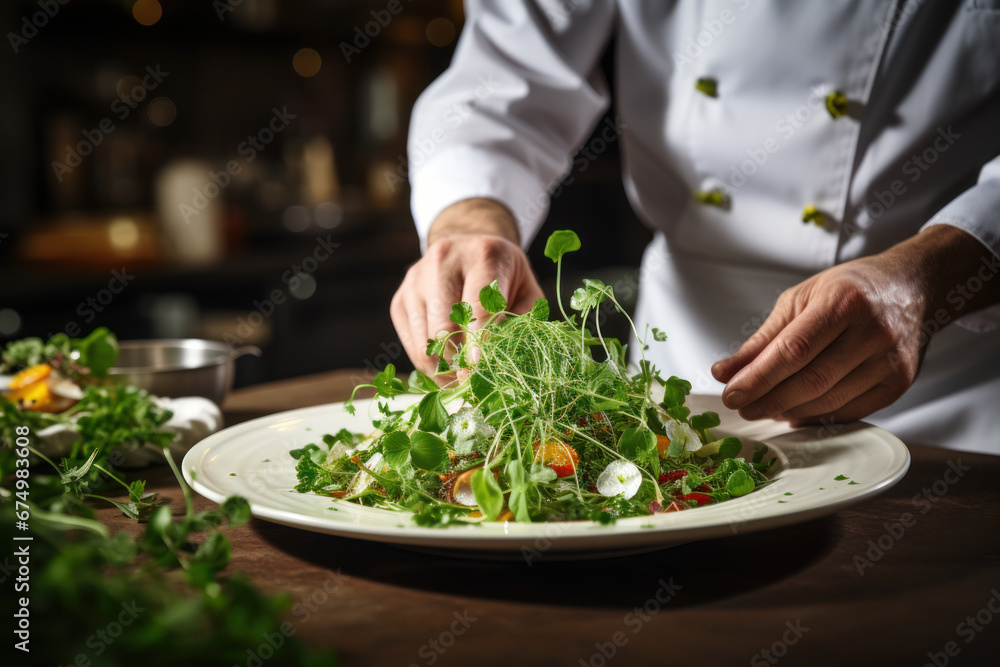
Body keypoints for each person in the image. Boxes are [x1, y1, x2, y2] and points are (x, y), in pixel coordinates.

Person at [390, 1, 1000, 454]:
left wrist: (934, 274)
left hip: (949, 391)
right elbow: (505, 76)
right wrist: (469, 225)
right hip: (679, 369)